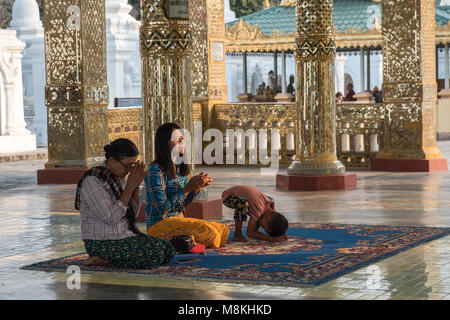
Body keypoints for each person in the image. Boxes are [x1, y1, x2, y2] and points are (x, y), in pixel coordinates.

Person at [76, 138, 175, 269]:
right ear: (111, 161)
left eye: (133, 166)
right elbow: (111, 217)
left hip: (123, 236)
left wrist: (135, 188)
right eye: (128, 165)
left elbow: (131, 214)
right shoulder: (93, 181)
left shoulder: (119, 178)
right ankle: (101, 258)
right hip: (101, 241)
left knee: (168, 249)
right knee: (154, 254)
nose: (129, 170)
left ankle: (105, 260)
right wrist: (129, 186)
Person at [145, 123, 229, 248]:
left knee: (223, 229)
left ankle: (186, 242)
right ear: (167, 144)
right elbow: (161, 208)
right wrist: (187, 188)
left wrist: (195, 188)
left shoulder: (179, 168)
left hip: (178, 221)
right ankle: (184, 242)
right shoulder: (155, 170)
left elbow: (182, 204)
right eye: (177, 140)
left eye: (182, 139)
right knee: (211, 233)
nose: (182, 143)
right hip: (159, 225)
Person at [222, 185, 289, 242]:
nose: (261, 226)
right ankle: (237, 234)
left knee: (260, 215)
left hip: (242, 193)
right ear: (267, 219)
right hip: (228, 197)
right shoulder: (258, 209)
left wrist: (279, 234)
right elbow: (250, 233)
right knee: (242, 204)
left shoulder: (271, 206)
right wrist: (272, 239)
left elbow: (275, 221)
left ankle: (256, 231)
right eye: (263, 226)